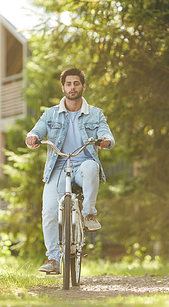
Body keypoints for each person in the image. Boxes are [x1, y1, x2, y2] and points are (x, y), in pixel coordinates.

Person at [26, 68, 115, 273]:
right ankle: (53, 260)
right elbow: (37, 130)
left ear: (83, 86)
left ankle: (89, 215)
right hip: (58, 167)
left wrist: (106, 140)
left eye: (76, 83)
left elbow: (105, 133)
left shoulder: (95, 113)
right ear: (63, 87)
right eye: (68, 84)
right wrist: (32, 136)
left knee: (92, 166)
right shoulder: (50, 114)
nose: (72, 87)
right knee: (48, 211)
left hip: (83, 165)